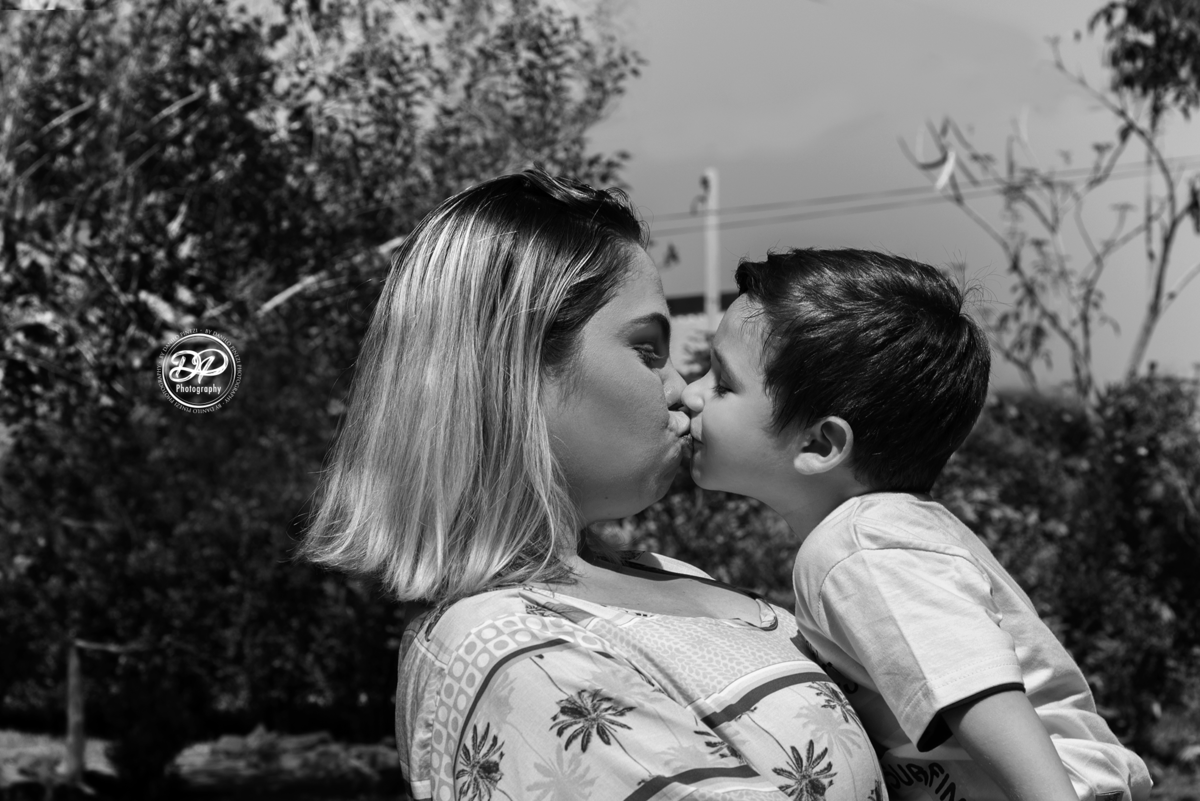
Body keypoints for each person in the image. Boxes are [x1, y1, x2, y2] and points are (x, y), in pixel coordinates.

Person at [302, 172, 887, 801]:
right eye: (648, 349)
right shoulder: (515, 652)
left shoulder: (663, 573)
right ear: (518, 365)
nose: (680, 392)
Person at [680, 247, 1153, 801]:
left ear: (821, 443)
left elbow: (972, 685)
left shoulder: (862, 547)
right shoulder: (884, 533)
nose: (691, 394)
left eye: (722, 382)